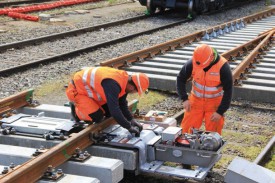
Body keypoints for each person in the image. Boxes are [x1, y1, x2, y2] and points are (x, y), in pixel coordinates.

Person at [66, 66, 149, 137]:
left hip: (90, 90)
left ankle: (92, 106)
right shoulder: (112, 84)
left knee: (108, 113)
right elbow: (115, 110)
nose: (134, 93)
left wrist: (131, 120)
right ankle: (77, 111)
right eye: (136, 91)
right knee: (98, 117)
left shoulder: (124, 82)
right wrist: (128, 127)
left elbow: (122, 104)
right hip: (78, 90)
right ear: (132, 87)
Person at [176, 44, 233, 135]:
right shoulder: (193, 62)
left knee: (213, 136)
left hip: (214, 105)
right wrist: (184, 98)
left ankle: (210, 149)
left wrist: (220, 112)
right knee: (186, 131)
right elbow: (180, 78)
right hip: (195, 102)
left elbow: (228, 90)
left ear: (211, 58)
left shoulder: (223, 67)